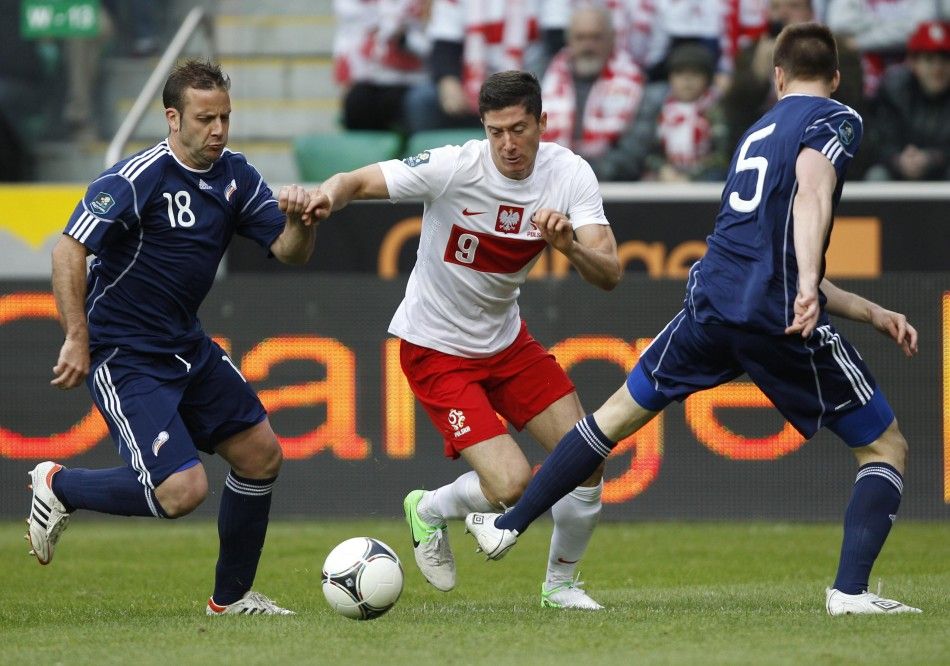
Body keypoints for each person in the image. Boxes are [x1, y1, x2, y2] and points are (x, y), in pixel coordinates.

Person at [464, 24, 924, 616]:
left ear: (777, 77)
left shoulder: (757, 131)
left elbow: (767, 250)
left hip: (711, 302)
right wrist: (808, 286)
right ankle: (850, 594)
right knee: (884, 447)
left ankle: (508, 525)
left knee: (610, 421)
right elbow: (812, 194)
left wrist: (871, 311)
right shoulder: (836, 119)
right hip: (776, 314)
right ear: (834, 79)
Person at [304, 70, 622, 609]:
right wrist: (323, 198)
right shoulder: (453, 168)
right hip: (435, 349)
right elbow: (354, 182)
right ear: (483, 128)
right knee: (511, 486)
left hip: (506, 342)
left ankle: (561, 586)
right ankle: (428, 509)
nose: (508, 144)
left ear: (543, 123)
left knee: (587, 458)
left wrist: (568, 246)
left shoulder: (569, 174)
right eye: (495, 131)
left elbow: (610, 271)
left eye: (519, 129)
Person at [27, 60, 316, 616]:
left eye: (225, 117)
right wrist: (75, 337)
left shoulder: (237, 175)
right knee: (182, 492)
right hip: (125, 353)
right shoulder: (136, 179)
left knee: (261, 456)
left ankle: (230, 601)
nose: (219, 131)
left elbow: (288, 251)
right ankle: (60, 486)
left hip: (187, 347)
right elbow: (69, 250)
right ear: (172, 118)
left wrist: (303, 221)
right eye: (206, 119)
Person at [540, 3, 645, 162]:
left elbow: (630, 155)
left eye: (596, 37)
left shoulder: (636, 83)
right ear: (569, 40)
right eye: (580, 37)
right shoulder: (542, 77)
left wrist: (579, 175)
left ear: (611, 38)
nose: (588, 46)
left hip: (611, 182)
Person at [865, 20, 950, 181]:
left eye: (945, 59)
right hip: (897, 169)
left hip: (942, 169)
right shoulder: (893, 89)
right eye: (929, 59)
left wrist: (932, 158)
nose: (938, 68)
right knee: (876, 176)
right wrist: (897, 159)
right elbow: (877, 140)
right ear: (913, 63)